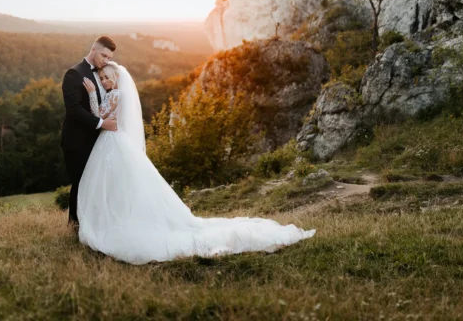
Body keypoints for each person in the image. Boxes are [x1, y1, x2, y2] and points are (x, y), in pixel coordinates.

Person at [76, 61, 316, 265]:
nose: (104, 81)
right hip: (113, 141)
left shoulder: (115, 94)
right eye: (101, 78)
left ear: (116, 77)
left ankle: (114, 221)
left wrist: (91, 93)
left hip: (113, 142)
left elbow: (98, 115)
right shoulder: (116, 94)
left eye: (106, 77)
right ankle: (114, 218)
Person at [60, 36, 118, 227]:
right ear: (93, 49)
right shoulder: (74, 74)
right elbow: (74, 109)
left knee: (94, 184)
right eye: (103, 55)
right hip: (77, 141)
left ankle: (92, 224)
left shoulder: (103, 73)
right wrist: (102, 123)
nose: (106, 60)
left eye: (109, 58)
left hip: (97, 141)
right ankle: (74, 226)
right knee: (80, 183)